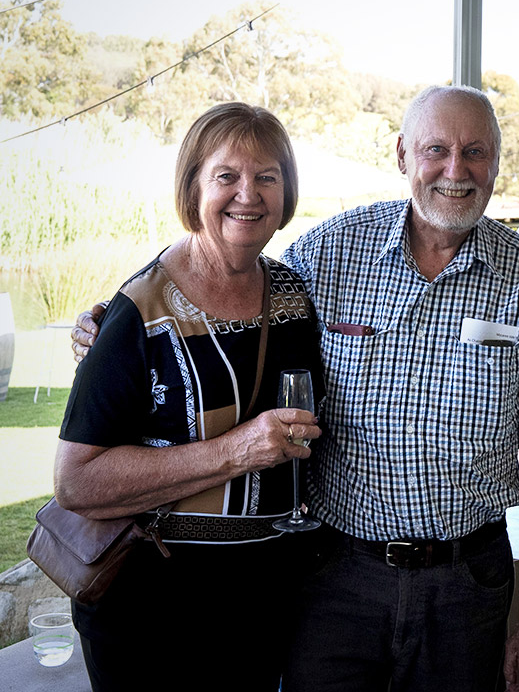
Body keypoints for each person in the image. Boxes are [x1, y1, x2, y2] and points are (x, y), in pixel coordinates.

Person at [71, 86, 519, 692]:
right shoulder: (329, 251)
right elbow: (227, 276)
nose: (456, 170)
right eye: (436, 150)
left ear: (497, 161)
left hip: (466, 584)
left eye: (476, 151)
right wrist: (115, 325)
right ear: (401, 155)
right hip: (333, 580)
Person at [55, 102, 326, 692]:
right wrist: (236, 452)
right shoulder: (138, 312)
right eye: (226, 176)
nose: (247, 195)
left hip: (263, 605)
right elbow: (76, 482)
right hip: (150, 611)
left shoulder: (295, 296)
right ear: (193, 187)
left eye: (267, 177)